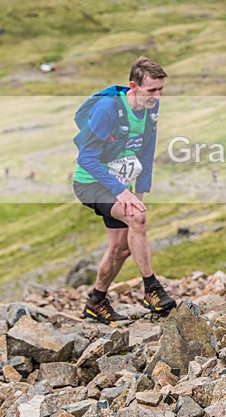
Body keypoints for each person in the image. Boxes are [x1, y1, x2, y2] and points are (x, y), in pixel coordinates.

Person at [72, 56, 176, 324]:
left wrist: (139, 192)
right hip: (91, 183)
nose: (157, 96)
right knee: (137, 218)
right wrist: (122, 192)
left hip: (120, 183)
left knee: (121, 248)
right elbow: (86, 158)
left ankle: (96, 301)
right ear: (133, 86)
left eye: (161, 90)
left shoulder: (150, 109)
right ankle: (152, 289)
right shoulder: (108, 109)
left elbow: (146, 152)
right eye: (151, 90)